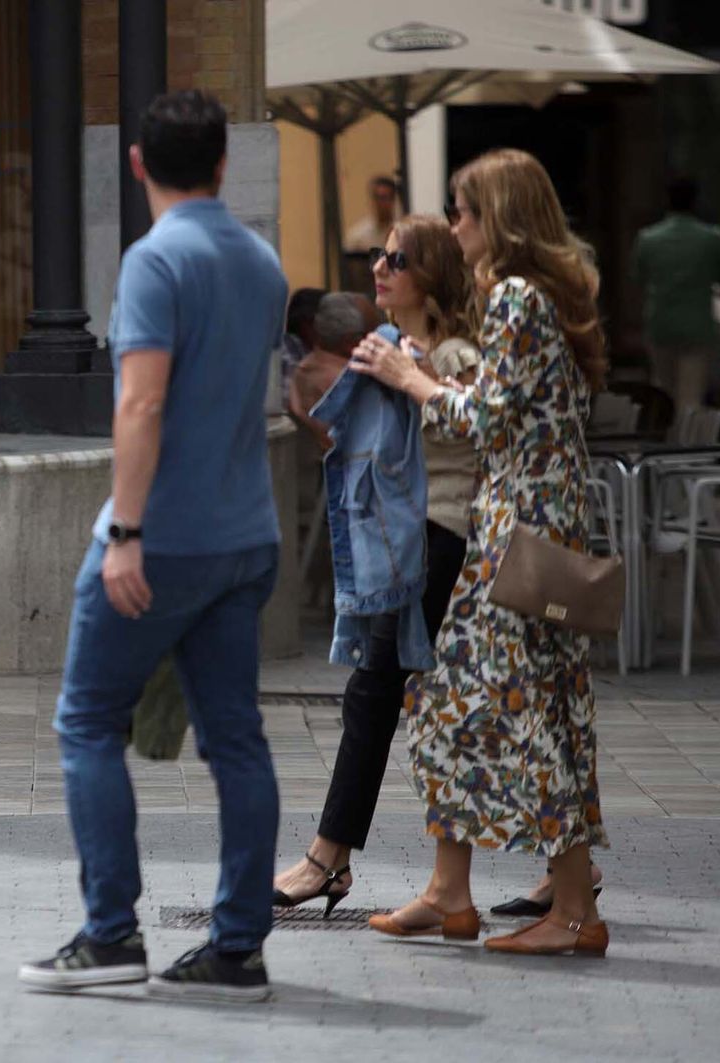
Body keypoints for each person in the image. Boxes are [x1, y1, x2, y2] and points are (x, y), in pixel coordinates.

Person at [17, 90, 287, 1003]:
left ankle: (110, 934)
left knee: (87, 722)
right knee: (237, 742)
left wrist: (125, 532)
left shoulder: (154, 261)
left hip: (162, 539)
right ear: (222, 163)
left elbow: (140, 403)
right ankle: (238, 947)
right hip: (247, 533)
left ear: (138, 164)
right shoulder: (262, 261)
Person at [351, 148, 611, 957]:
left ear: (494, 217)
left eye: (462, 210)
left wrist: (411, 379)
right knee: (517, 707)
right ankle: (451, 891)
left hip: (513, 531)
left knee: (504, 711)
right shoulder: (550, 297)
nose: (453, 223)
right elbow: (524, 412)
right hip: (547, 523)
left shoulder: (514, 299)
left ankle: (570, 910)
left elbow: (488, 422)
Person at [272, 217, 480, 913]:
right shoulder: (392, 346)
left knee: (386, 693)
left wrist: (408, 377)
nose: (379, 267)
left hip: (444, 537)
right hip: (405, 542)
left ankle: (328, 858)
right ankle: (563, 867)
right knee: (398, 695)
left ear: (432, 274)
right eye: (377, 255)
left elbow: (471, 433)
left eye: (396, 258)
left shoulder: (451, 355)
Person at [631, 177, 720, 414]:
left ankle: (663, 448)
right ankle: (686, 448)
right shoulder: (712, 239)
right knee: (690, 400)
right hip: (697, 327)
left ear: (667, 200)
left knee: (663, 394)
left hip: (660, 325)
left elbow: (638, 279)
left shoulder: (647, 239)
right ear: (695, 201)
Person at [286, 293, 381, 452]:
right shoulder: (345, 380)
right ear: (351, 341)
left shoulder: (307, 368)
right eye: (376, 333)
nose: (382, 340)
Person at [344, 176, 400, 255]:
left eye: (384, 198)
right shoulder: (358, 237)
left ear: (393, 200)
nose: (380, 203)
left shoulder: (401, 231)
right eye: (377, 197)